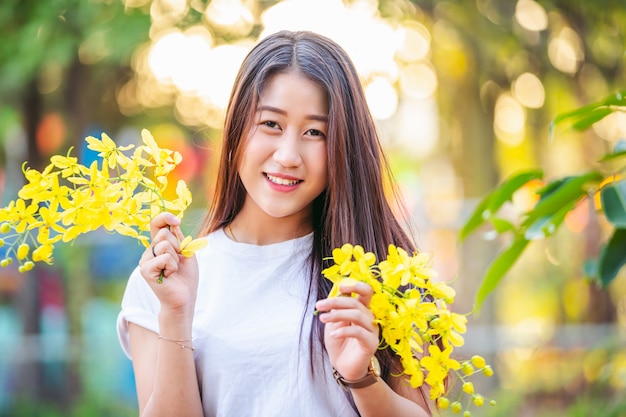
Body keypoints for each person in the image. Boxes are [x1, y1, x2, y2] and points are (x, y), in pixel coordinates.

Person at [116, 30, 432, 417]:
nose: (287, 156)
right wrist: (176, 316)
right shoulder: (165, 282)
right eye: (270, 124)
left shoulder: (386, 275)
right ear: (236, 132)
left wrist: (361, 379)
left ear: (342, 148)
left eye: (315, 132)